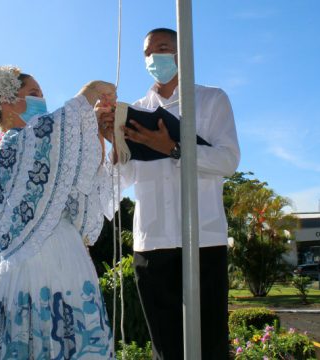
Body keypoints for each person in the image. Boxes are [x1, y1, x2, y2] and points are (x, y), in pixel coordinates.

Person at [0, 65, 117, 359]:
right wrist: (85, 96)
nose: (41, 99)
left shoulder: (40, 147)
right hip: (32, 265)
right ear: (6, 102)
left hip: (68, 259)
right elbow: (46, 136)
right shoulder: (6, 147)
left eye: (42, 93)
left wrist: (94, 127)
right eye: (33, 93)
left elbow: (81, 176)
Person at [117, 28, 240, 360]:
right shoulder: (134, 112)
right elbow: (122, 178)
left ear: (181, 51)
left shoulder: (212, 99)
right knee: (166, 349)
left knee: (211, 344)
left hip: (203, 239)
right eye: (147, 52)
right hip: (152, 243)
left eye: (162, 48)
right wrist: (110, 146)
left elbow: (229, 160)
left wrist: (173, 148)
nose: (153, 57)